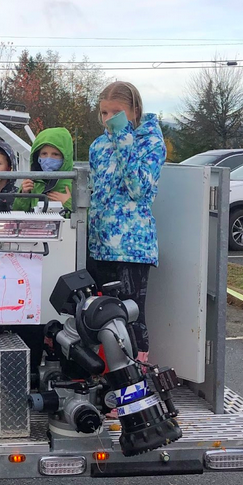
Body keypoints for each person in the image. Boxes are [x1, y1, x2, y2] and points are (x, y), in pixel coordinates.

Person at [87, 81, 166, 365]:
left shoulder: (151, 142)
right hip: (100, 243)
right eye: (104, 113)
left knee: (131, 317)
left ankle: (135, 388)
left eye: (117, 113)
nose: (109, 119)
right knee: (99, 314)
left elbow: (139, 189)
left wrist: (123, 137)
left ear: (134, 110)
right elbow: (95, 191)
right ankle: (108, 382)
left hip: (133, 246)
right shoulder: (98, 145)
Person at [13, 127, 74, 211]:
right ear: (37, 156)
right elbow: (17, 214)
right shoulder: (31, 183)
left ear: (65, 157)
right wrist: (24, 195)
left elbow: (86, 216)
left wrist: (69, 202)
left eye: (55, 154)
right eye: (44, 154)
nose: (48, 159)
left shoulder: (75, 184)